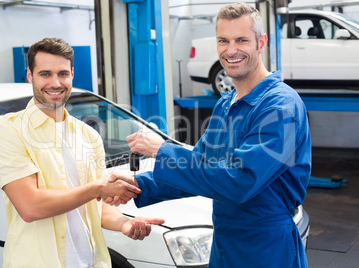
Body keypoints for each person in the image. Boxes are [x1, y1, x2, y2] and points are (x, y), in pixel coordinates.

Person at [108, 2, 311, 267]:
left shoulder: (280, 108)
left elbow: (240, 181)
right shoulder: (226, 104)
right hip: (225, 243)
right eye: (223, 40)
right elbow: (199, 167)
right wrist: (137, 186)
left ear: (261, 43)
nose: (231, 50)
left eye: (241, 40)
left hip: (265, 247)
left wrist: (162, 150)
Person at [0, 37, 164, 268]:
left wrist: (123, 224)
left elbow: (99, 207)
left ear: (72, 74)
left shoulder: (88, 136)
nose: (55, 82)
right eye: (45, 74)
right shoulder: (10, 131)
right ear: (30, 76)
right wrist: (97, 188)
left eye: (62, 74)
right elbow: (30, 207)